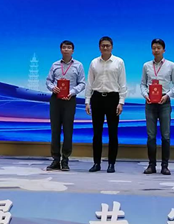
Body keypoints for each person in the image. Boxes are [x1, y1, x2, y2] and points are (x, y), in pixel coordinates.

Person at [85, 36, 127, 173]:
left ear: (112, 47)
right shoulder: (94, 62)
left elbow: (122, 84)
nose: (105, 48)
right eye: (103, 45)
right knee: (97, 133)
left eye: (107, 45)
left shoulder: (119, 62)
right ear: (99, 47)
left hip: (113, 98)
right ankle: (96, 163)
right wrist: (87, 101)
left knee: (113, 133)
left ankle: (111, 164)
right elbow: (89, 83)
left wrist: (121, 102)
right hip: (97, 98)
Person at [140, 38, 174, 175]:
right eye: (154, 48)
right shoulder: (146, 65)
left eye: (158, 48)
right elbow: (143, 84)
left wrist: (167, 95)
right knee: (151, 136)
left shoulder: (171, 65)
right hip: (150, 102)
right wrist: (145, 95)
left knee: (165, 135)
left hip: (164, 101)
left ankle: (165, 166)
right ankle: (151, 165)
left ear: (164, 50)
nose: (156, 50)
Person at [45, 40, 86, 171]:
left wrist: (72, 92)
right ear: (61, 50)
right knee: (55, 130)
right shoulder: (55, 65)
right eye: (64, 47)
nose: (66, 49)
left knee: (68, 130)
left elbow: (82, 83)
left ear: (73, 50)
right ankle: (55, 159)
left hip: (70, 100)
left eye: (69, 47)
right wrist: (53, 87)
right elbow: (48, 81)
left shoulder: (78, 65)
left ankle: (65, 160)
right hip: (56, 99)